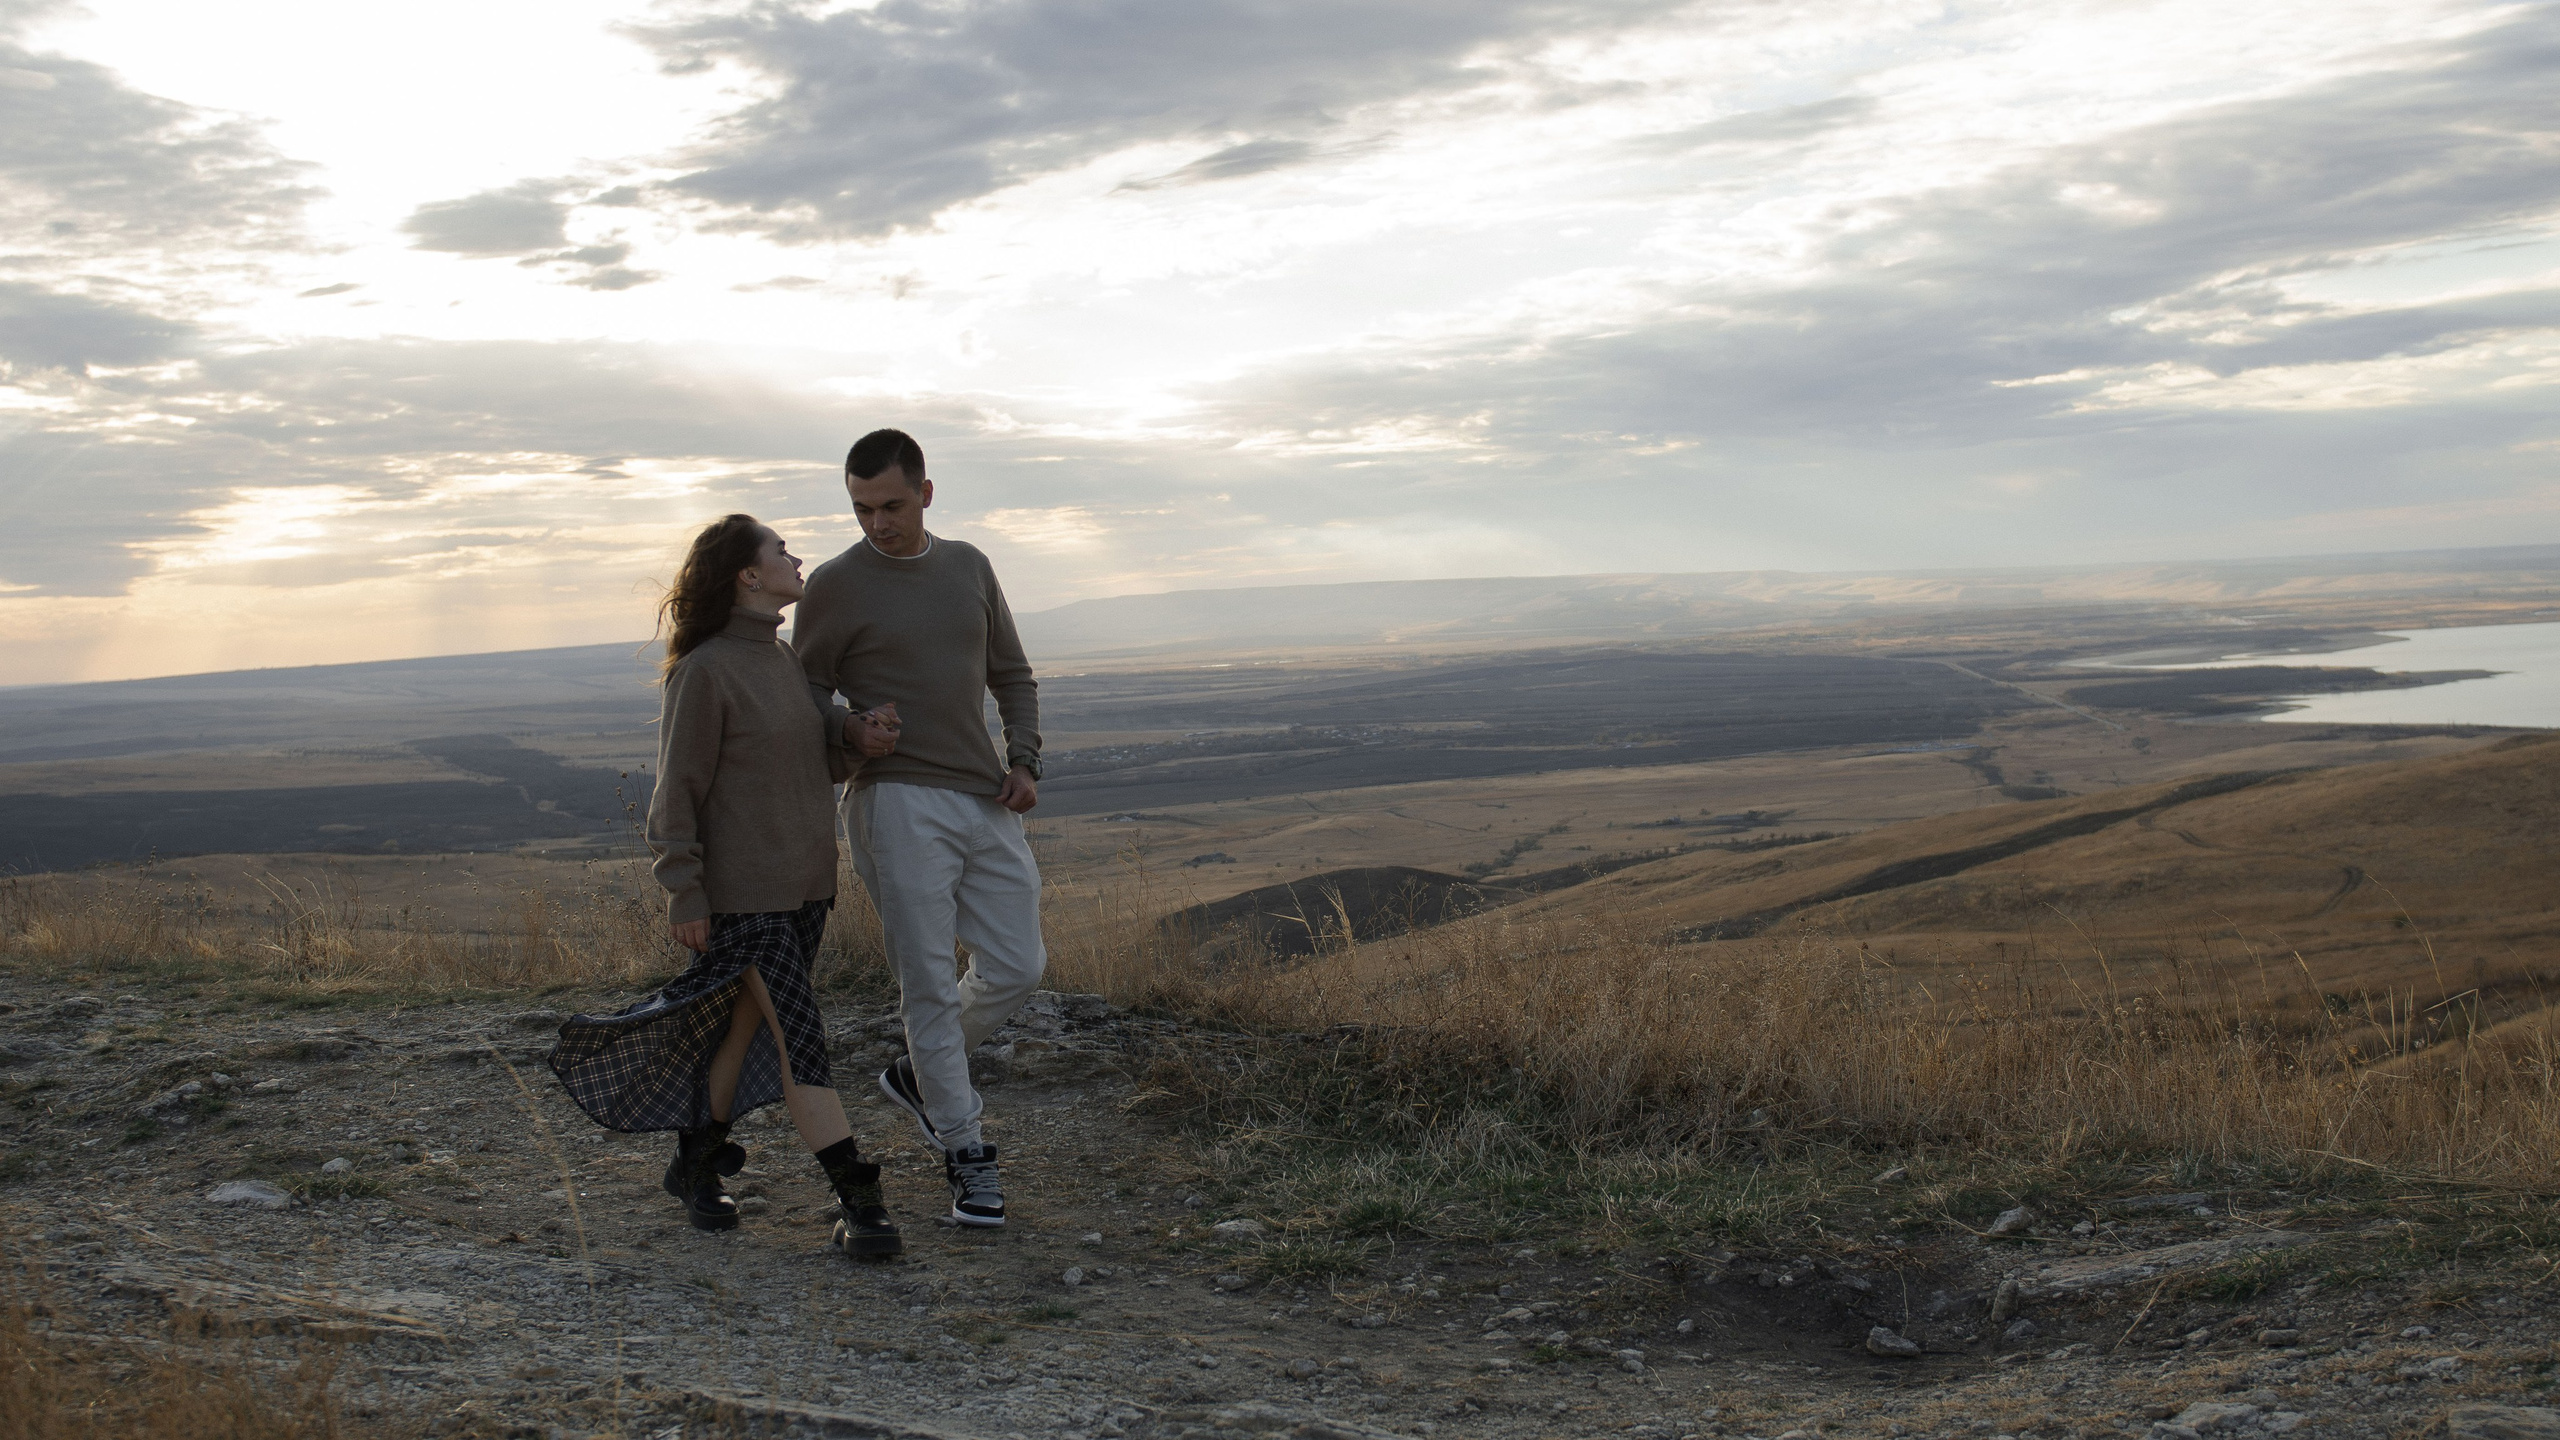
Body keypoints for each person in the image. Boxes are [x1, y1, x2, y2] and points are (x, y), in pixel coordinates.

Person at [549, 513, 905, 1258]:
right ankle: (862, 1202)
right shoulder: (704, 670)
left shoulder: (781, 660)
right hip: (746, 898)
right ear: (747, 574)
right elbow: (676, 791)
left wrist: (856, 738)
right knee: (800, 1037)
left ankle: (697, 1162)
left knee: (742, 1030)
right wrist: (685, 890)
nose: (794, 556)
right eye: (779, 549)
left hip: (808, 887)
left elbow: (813, 760)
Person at [795, 428, 1044, 1229]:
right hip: (894, 799)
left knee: (1018, 965)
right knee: (929, 982)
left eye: (892, 505)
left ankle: (920, 1078)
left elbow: (1011, 673)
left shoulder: (968, 565)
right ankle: (965, 1151)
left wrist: (1026, 759)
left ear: (926, 494)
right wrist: (849, 731)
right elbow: (799, 696)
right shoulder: (835, 585)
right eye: (862, 509)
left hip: (981, 794)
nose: (877, 523)